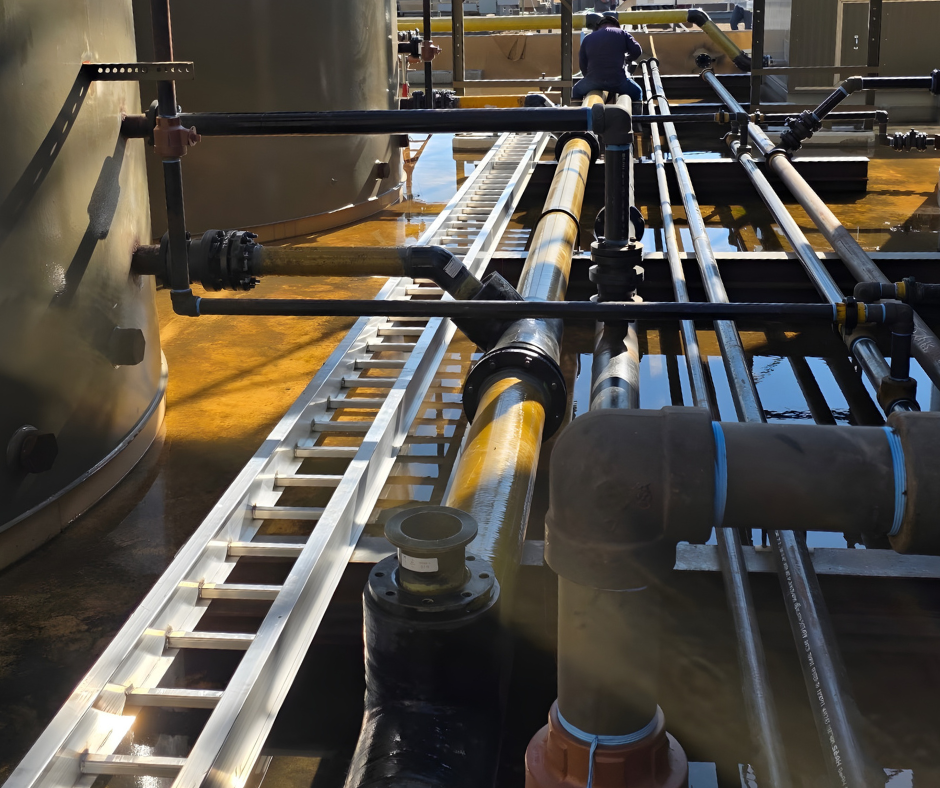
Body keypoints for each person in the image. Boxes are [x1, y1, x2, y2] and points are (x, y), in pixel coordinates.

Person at [573, 12, 643, 103]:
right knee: (637, 92)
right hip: (618, 80)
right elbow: (637, 51)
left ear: (598, 27)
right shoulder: (622, 33)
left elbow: (582, 63)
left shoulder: (588, 38)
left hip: (593, 80)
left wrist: (590, 78)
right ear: (616, 26)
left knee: (576, 90)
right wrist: (628, 59)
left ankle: (578, 115)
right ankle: (635, 116)